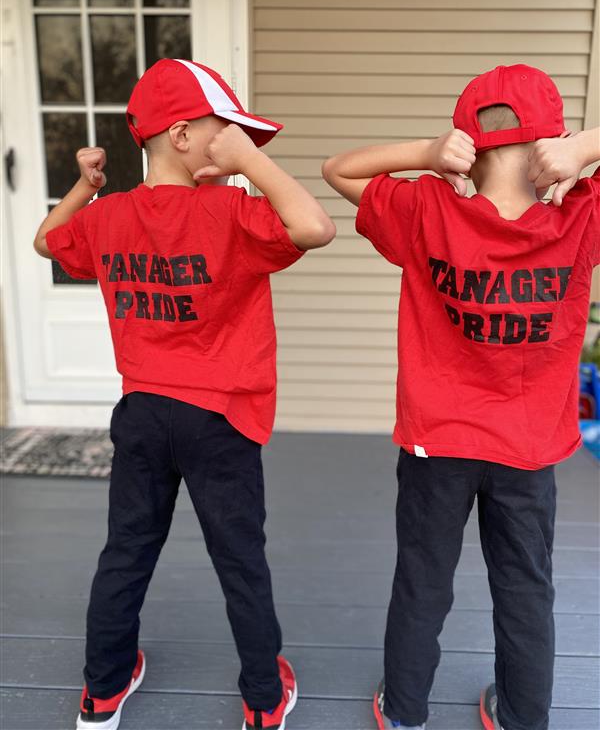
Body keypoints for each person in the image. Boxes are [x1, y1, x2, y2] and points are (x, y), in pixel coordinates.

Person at [33, 58, 336, 730]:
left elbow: (47, 241)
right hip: (220, 419)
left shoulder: (111, 216)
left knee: (126, 550)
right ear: (179, 135)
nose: (236, 148)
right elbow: (316, 227)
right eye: (223, 133)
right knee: (240, 559)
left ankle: (102, 692)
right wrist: (250, 165)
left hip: (143, 414)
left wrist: (85, 188)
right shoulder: (231, 210)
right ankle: (265, 699)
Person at [322, 64, 600, 730]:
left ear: (465, 145)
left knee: (423, 579)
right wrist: (587, 148)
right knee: (526, 588)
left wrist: (424, 153)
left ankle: (405, 712)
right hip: (527, 452)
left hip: (436, 444)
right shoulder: (579, 218)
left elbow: (338, 170)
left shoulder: (427, 209)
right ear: (551, 142)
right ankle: (523, 717)